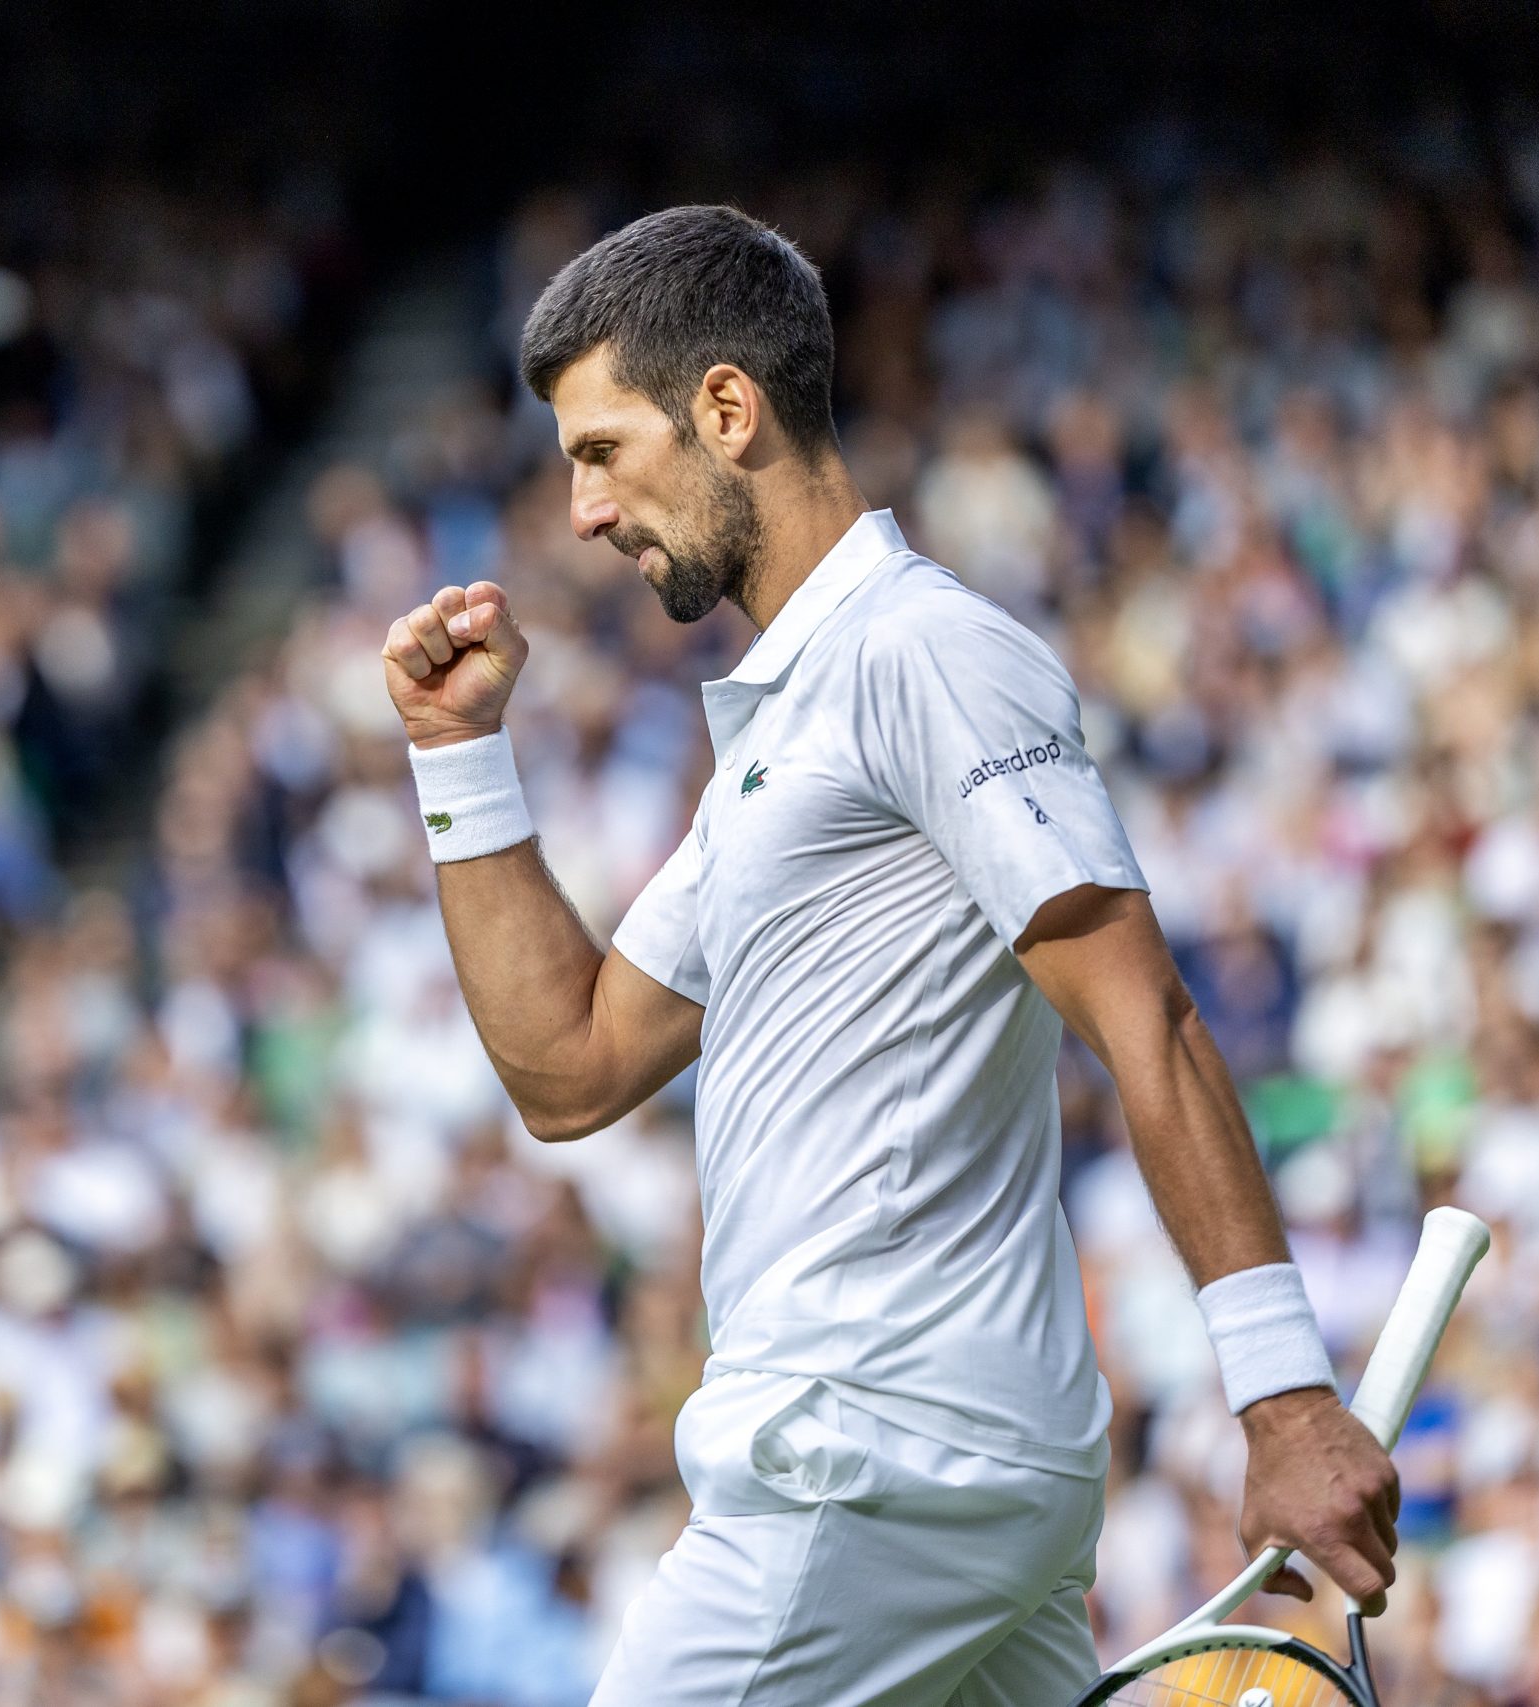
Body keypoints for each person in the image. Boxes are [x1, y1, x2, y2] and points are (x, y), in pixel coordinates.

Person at [379, 204, 1401, 1706]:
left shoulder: (924, 654)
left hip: (870, 1456)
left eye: (601, 450)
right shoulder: (786, 729)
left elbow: (1147, 1019)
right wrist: (462, 756)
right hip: (948, 1475)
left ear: (726, 409)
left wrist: (1285, 1393)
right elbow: (571, 1065)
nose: (584, 510)